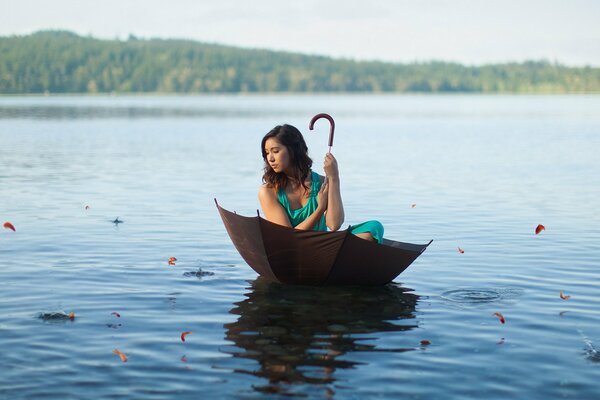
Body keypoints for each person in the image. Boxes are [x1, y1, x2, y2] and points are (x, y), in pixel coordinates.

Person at [258, 124, 384, 243]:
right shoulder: (268, 191)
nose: (270, 158)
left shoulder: (322, 182)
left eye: (275, 151)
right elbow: (289, 237)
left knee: (374, 227)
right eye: (267, 153)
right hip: (294, 250)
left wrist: (334, 177)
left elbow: (334, 225)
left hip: (323, 246)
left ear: (293, 150)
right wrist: (320, 209)